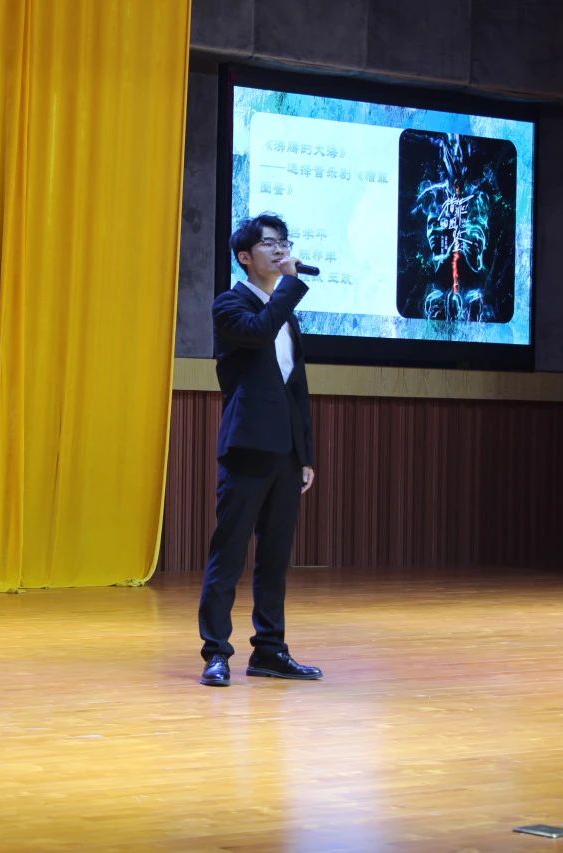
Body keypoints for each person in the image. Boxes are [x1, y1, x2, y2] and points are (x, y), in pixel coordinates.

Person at [197, 212, 323, 687]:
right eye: (270, 243)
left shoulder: (285, 312)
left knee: (275, 555)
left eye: (284, 242)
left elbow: (296, 389)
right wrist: (289, 285)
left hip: (285, 453)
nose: (280, 249)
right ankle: (216, 652)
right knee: (229, 553)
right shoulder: (230, 305)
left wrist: (305, 455)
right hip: (248, 447)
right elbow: (257, 332)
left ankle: (270, 649)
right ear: (245, 256)